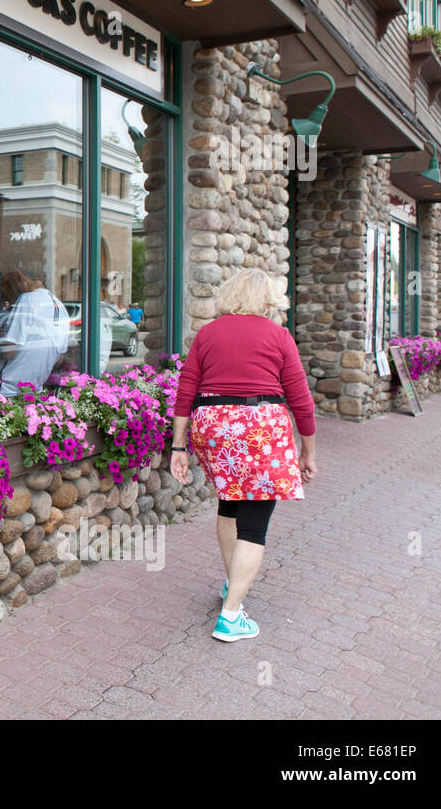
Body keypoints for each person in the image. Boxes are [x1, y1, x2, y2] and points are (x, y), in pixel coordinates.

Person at [169, 267, 318, 643]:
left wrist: (178, 445)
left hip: (214, 426)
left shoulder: (208, 333)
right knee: (254, 522)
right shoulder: (278, 336)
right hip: (260, 429)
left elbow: (186, 389)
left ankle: (231, 583)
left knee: (230, 503)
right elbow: (300, 398)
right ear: (268, 300)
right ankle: (231, 617)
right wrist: (308, 451)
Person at [0, 271, 70, 396]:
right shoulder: (60, 306)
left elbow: (9, 351)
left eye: (9, 298)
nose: (10, 303)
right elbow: (58, 358)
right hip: (31, 391)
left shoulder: (27, 299)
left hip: (3, 388)